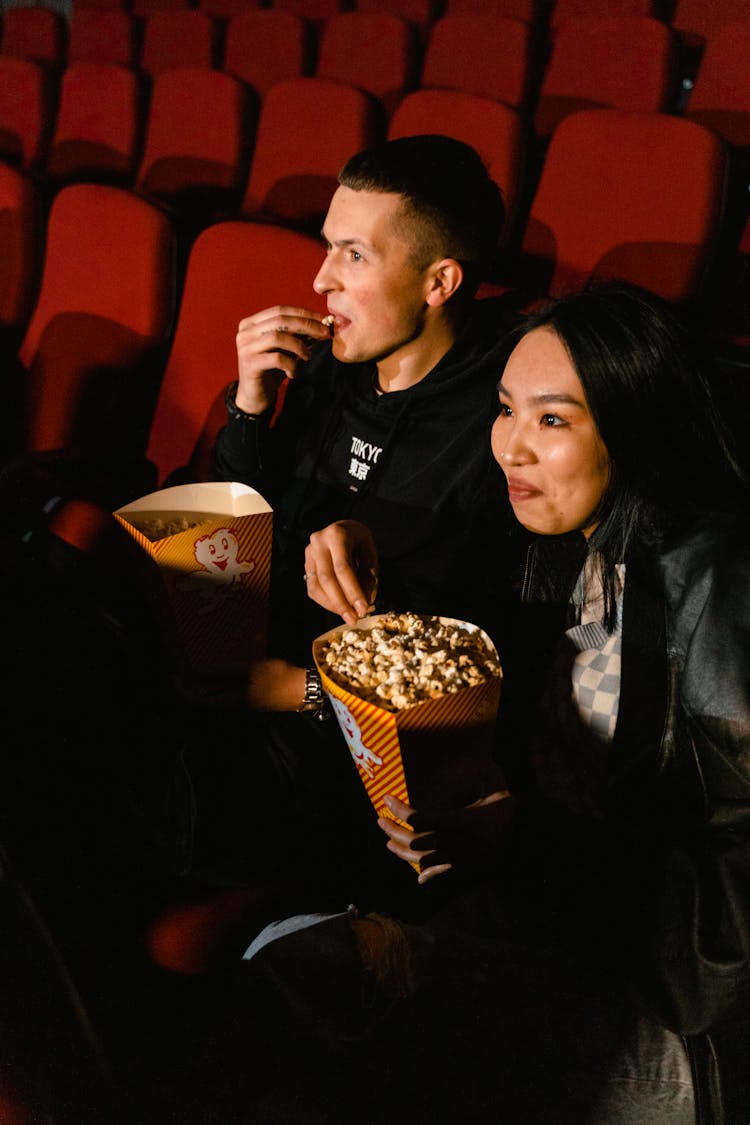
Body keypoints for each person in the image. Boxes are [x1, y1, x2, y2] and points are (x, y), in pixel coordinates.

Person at [191, 280, 750, 1123]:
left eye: (552, 420)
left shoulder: (720, 589)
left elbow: (728, 944)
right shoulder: (566, 547)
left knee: (293, 984)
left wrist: (516, 836)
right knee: (272, 959)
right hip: (546, 931)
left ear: (636, 428)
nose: (510, 448)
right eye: (504, 409)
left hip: (683, 1032)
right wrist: (372, 583)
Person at [189, 134, 517, 903]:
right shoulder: (328, 370)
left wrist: (295, 690)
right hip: (244, 687)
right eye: (326, 247)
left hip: (349, 766)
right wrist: (249, 411)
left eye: (353, 255)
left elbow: (467, 692)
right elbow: (232, 540)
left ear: (439, 281)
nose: (321, 277)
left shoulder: (500, 425)